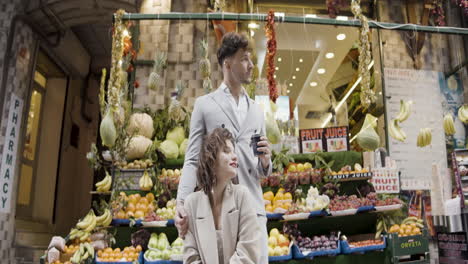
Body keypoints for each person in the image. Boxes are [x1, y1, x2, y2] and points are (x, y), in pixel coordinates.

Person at [176, 32, 272, 263]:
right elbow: (192, 160)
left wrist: (266, 161)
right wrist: (181, 202)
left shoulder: (257, 111)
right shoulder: (204, 105)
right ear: (228, 64)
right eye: (245, 59)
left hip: (253, 209)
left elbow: (261, 169)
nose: (251, 65)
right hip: (216, 212)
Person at [183, 128, 261, 264]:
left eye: (234, 151)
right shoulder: (191, 203)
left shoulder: (242, 196)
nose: (235, 156)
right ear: (211, 160)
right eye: (226, 151)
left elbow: (249, 251)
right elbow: (191, 258)